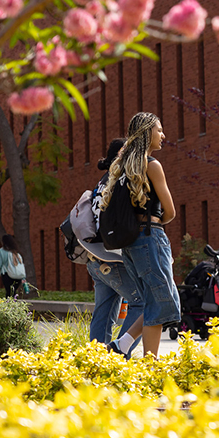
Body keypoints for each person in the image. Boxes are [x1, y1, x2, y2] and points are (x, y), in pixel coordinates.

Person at [98, 112, 179, 357]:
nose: (163, 135)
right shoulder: (152, 165)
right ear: (147, 133)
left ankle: (122, 345)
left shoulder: (120, 167)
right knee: (161, 302)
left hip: (130, 244)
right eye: (159, 130)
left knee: (153, 299)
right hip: (150, 237)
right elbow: (171, 211)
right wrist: (155, 226)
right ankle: (150, 365)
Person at [83, 138, 148, 354]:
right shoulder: (120, 181)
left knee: (103, 314)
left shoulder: (102, 181)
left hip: (96, 258)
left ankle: (97, 362)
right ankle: (119, 354)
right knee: (144, 304)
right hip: (115, 258)